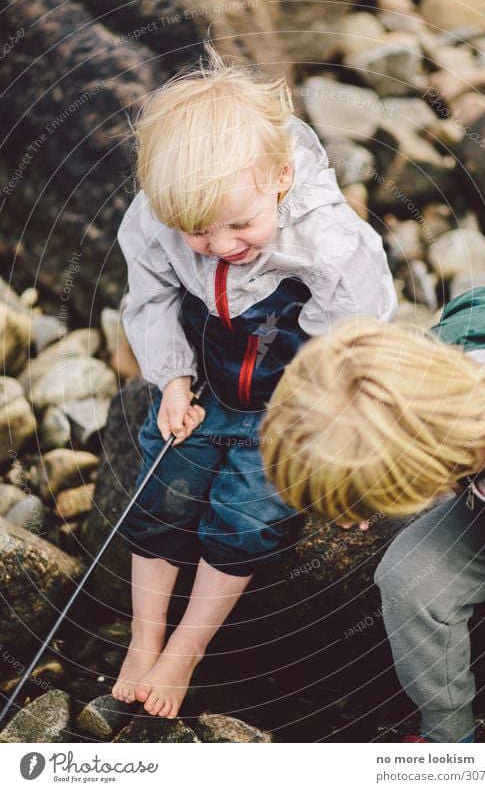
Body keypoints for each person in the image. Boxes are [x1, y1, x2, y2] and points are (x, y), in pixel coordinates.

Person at [112, 43, 397, 720]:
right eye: (196, 233)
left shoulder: (325, 240)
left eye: (238, 225)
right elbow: (149, 298)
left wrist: (335, 445)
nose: (219, 243)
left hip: (288, 395)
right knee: (162, 492)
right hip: (208, 378)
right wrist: (174, 379)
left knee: (246, 515)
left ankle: (185, 648)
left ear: (279, 175)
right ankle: (144, 634)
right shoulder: (161, 215)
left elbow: (352, 341)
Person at [260, 286, 485, 743]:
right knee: (412, 578)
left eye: (377, 503)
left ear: (423, 478)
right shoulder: (449, 362)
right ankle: (450, 737)